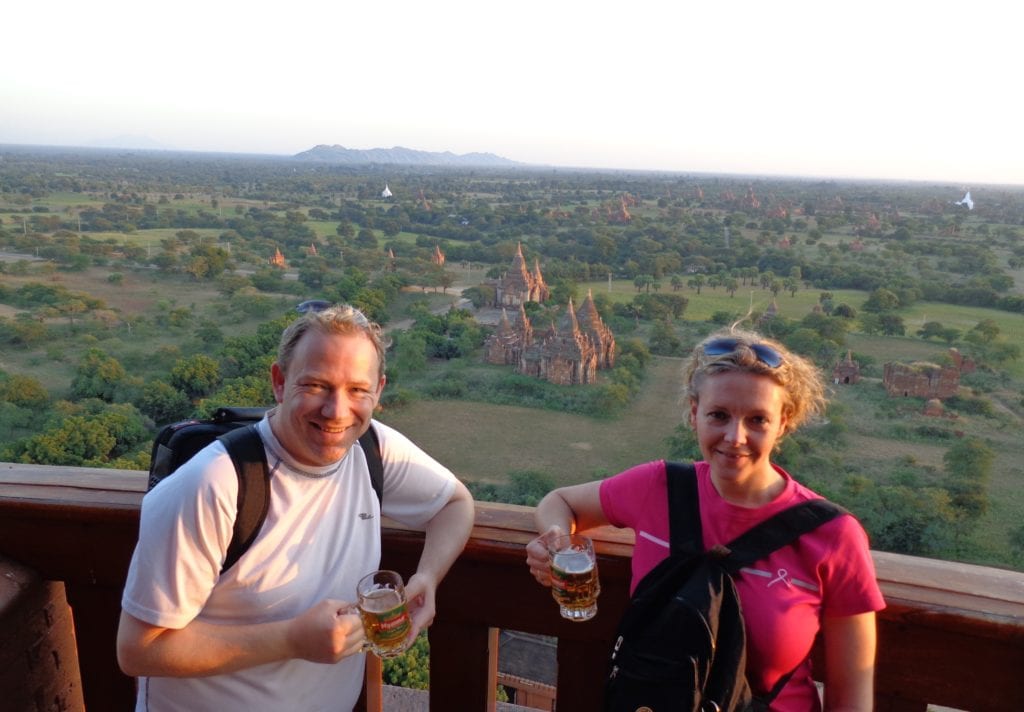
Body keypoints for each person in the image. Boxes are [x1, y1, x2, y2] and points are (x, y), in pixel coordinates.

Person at [118, 303, 475, 712]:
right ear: (279, 382)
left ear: (378, 389)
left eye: (357, 390)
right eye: (317, 385)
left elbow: (454, 503)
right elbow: (138, 650)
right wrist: (290, 640)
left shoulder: (372, 448)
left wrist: (427, 577)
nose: (337, 411)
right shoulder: (215, 484)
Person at [525, 328, 884, 711]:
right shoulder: (657, 487)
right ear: (695, 413)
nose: (735, 437)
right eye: (719, 415)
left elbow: (852, 697)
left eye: (757, 420)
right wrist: (555, 544)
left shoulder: (832, 535)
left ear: (784, 423)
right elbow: (559, 501)